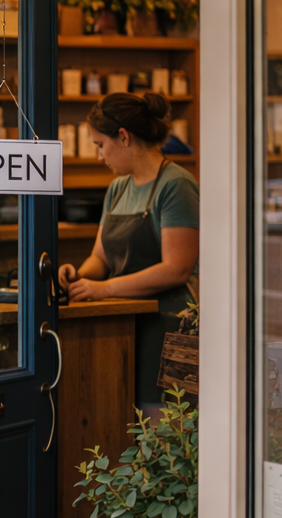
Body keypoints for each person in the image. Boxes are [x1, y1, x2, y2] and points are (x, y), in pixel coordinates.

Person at [58, 92, 199, 418]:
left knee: (164, 434)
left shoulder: (176, 185)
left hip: (171, 328)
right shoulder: (117, 189)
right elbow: (101, 259)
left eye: (99, 144)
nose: (98, 156)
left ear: (123, 137)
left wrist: (104, 289)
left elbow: (176, 269)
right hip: (122, 325)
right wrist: (78, 277)